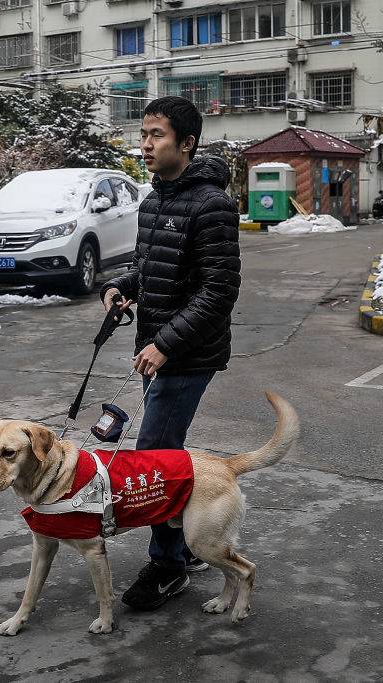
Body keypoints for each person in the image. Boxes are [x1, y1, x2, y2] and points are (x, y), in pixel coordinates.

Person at [100, 96, 241, 611]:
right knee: (166, 451)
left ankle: (168, 565)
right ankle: (183, 543)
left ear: (187, 142)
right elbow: (151, 268)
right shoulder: (154, 201)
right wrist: (122, 287)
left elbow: (219, 290)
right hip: (155, 351)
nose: (145, 144)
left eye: (156, 135)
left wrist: (165, 343)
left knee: (153, 461)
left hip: (187, 355)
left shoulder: (212, 205)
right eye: (143, 134)